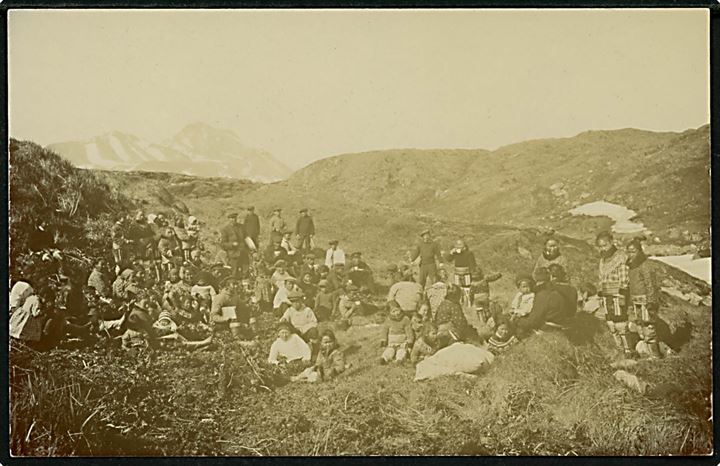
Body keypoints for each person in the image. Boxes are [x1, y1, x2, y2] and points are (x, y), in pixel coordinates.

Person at [596, 231, 632, 358]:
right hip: (607, 296)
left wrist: (622, 293)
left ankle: (628, 351)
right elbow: (601, 279)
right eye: (600, 246)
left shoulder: (621, 257)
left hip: (618, 295)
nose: (602, 248)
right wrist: (601, 294)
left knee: (620, 324)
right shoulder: (602, 260)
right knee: (611, 324)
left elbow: (624, 278)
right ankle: (619, 350)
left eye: (605, 245)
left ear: (611, 242)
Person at [626, 237, 661, 359]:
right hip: (636, 302)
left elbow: (650, 284)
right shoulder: (631, 266)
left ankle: (656, 356)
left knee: (648, 328)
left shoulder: (645, 265)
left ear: (640, 251)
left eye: (633, 251)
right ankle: (646, 354)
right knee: (640, 327)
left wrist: (651, 302)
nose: (631, 254)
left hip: (646, 302)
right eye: (629, 251)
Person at [514, 267, 569, 337]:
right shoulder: (555, 292)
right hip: (558, 325)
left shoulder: (542, 295)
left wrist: (517, 320)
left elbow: (532, 322)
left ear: (537, 283)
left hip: (548, 329)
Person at [220, 213, 249, 278]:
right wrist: (232, 244)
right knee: (234, 273)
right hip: (233, 254)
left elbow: (247, 238)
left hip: (243, 253)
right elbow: (223, 244)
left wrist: (251, 249)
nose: (233, 220)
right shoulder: (225, 229)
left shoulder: (241, 227)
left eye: (234, 218)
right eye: (231, 218)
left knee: (245, 272)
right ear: (229, 219)